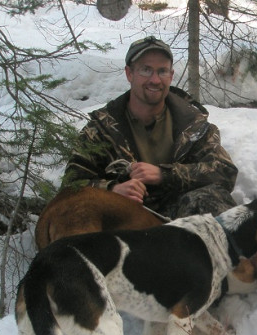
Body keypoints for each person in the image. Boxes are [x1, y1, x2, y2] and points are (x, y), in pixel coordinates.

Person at [62, 36, 238, 218]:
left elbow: (224, 173)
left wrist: (165, 175)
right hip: (123, 223)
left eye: (162, 71)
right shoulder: (101, 129)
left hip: (180, 226)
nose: (155, 80)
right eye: (146, 70)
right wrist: (112, 189)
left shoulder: (192, 123)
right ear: (129, 73)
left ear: (171, 76)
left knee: (212, 199)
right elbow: (71, 185)